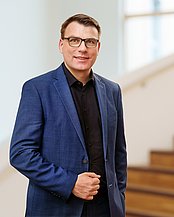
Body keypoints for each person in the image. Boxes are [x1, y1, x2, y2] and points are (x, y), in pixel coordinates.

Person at [10, 13, 127, 217]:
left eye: (90, 41)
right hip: (56, 209)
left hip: (105, 209)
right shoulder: (37, 89)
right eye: (74, 40)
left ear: (98, 47)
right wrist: (70, 183)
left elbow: (118, 154)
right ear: (61, 45)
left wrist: (120, 199)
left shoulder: (112, 90)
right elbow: (21, 153)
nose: (82, 48)